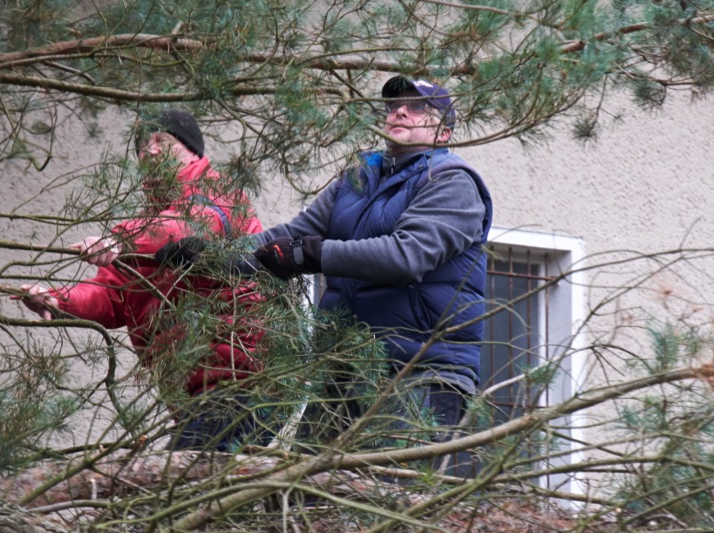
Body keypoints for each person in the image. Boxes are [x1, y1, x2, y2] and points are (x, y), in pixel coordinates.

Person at [158, 77, 493, 455]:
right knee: (305, 491)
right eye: (393, 105)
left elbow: (407, 255)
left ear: (444, 131)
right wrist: (213, 257)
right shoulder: (358, 179)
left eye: (417, 107)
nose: (399, 111)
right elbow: (292, 235)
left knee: (387, 489)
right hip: (344, 373)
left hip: (419, 375)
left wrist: (314, 255)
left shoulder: (451, 180)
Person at [14, 109, 270, 451]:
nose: (150, 150)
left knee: (183, 476)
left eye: (162, 140)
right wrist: (58, 300)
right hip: (195, 399)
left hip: (244, 386)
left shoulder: (219, 194)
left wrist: (121, 241)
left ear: (193, 152)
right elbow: (111, 292)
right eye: (142, 145)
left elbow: (189, 226)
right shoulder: (146, 228)